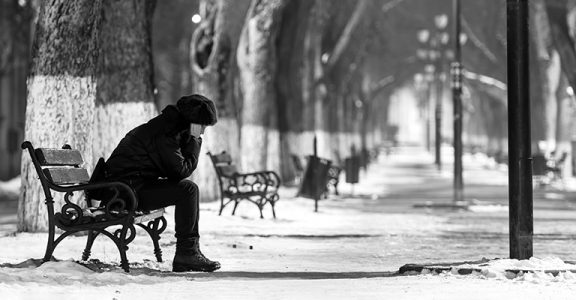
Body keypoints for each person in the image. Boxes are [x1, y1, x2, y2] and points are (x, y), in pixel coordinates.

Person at [104, 94, 220, 272]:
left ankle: (188, 252)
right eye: (202, 126)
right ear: (193, 122)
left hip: (130, 186)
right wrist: (195, 140)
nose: (203, 131)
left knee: (188, 189)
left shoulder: (169, 127)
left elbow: (175, 171)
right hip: (124, 192)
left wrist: (191, 138)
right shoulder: (167, 133)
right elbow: (180, 171)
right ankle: (187, 253)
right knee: (188, 190)